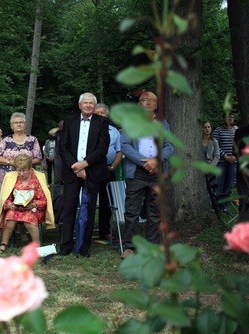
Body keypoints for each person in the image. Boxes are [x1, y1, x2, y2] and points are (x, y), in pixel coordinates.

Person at [120, 91, 174, 259]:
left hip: (157, 172)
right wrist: (145, 162)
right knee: (132, 211)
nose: (148, 103)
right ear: (139, 104)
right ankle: (130, 247)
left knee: (155, 211)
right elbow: (124, 145)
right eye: (144, 100)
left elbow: (169, 145)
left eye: (152, 101)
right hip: (137, 172)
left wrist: (156, 160)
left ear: (156, 105)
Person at [58, 93, 110, 257]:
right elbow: (62, 147)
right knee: (69, 210)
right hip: (72, 172)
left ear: (94, 106)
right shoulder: (69, 121)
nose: (88, 105)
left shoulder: (102, 122)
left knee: (88, 209)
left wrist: (85, 164)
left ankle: (83, 247)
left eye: (91, 103)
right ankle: (66, 246)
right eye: (85, 103)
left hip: (92, 172)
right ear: (80, 105)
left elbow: (102, 148)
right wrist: (76, 166)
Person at [0, 112, 42, 242]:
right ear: (11, 126)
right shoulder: (6, 140)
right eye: (16, 122)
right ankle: (1, 230)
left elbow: (38, 158)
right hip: (6, 177)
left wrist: (24, 164)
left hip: (26, 178)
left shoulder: (32, 140)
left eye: (21, 122)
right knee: (4, 203)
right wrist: (12, 162)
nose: (18, 124)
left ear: (25, 125)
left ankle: (22, 232)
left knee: (23, 202)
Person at [0, 154, 55, 253]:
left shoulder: (37, 178)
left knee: (28, 218)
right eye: (19, 170)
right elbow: (6, 198)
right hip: (16, 208)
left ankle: (36, 244)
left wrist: (33, 204)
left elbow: (44, 200)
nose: (21, 173)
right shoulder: (11, 177)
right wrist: (10, 205)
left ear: (30, 168)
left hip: (33, 209)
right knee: (10, 217)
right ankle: (3, 243)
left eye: (24, 170)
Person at [95, 103, 122, 240]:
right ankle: (87, 231)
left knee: (106, 201)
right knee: (90, 200)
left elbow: (119, 151)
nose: (100, 115)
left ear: (107, 116)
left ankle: (105, 231)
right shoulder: (88, 130)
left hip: (107, 169)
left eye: (103, 113)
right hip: (91, 169)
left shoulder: (114, 131)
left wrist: (112, 167)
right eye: (97, 113)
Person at [213, 113, 237, 202]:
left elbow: (240, 145)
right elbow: (216, 146)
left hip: (233, 162)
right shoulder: (218, 131)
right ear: (223, 118)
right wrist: (226, 157)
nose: (230, 118)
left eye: (232, 117)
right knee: (219, 184)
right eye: (228, 116)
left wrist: (235, 157)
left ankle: (224, 205)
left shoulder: (236, 131)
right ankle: (217, 206)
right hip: (221, 162)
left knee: (229, 185)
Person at [201, 121, 220, 214]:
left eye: (209, 127)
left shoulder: (214, 141)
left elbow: (217, 156)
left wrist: (211, 167)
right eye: (205, 127)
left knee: (211, 191)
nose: (207, 129)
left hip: (210, 168)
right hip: (200, 168)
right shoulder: (198, 140)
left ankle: (215, 209)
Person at [48, 120, 64, 198]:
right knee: (57, 177)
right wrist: (58, 129)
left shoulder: (70, 133)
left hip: (67, 156)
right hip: (58, 155)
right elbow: (50, 132)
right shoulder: (57, 134)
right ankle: (56, 196)